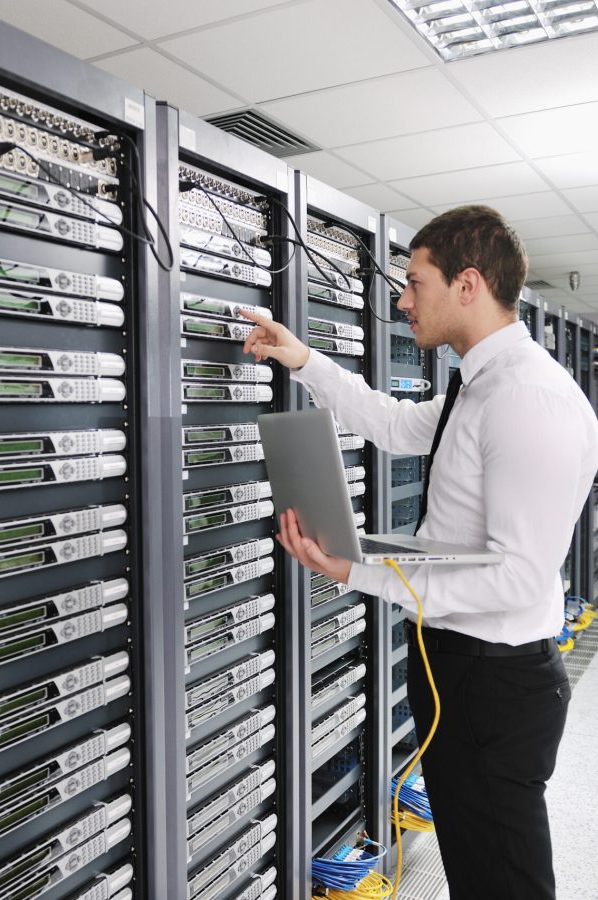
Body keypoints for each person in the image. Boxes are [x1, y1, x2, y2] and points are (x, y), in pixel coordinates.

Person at [239, 204, 598, 899]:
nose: (402, 300)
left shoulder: (530, 398)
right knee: (478, 871)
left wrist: (357, 572)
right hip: (460, 671)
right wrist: (304, 359)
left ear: (468, 285)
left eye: (414, 281)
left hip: (496, 684)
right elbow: (398, 425)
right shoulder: (482, 384)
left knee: (504, 882)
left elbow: (518, 581)